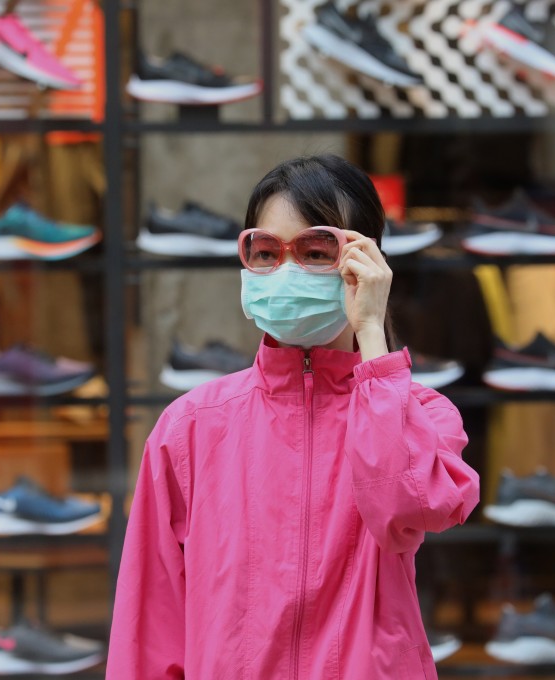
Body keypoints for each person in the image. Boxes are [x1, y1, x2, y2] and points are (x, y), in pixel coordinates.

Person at [105, 154, 480, 678]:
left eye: (315, 251)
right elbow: (149, 630)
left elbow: (404, 509)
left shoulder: (417, 413)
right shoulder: (190, 427)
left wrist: (372, 334)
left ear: (367, 262)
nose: (285, 271)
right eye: (265, 251)